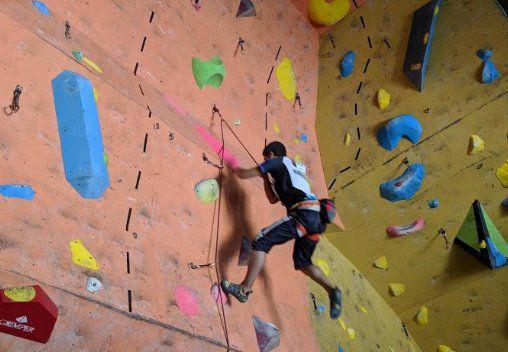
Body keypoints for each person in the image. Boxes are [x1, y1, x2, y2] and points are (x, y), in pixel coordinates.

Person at [221, 141, 342, 319]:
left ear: (271, 154)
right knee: (303, 262)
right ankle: (332, 290)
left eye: (266, 158)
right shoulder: (295, 169)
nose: (266, 162)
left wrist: (233, 168)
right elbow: (273, 199)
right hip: (315, 220)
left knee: (261, 241)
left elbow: (245, 174)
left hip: (303, 215)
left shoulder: (277, 161)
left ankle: (243, 290)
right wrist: (265, 179)